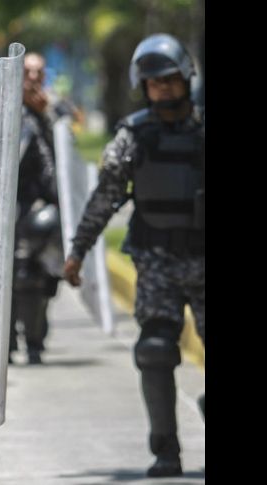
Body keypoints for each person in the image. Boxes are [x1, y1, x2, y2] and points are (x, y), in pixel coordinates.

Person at [62, 33, 204, 477]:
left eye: (169, 80)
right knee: (156, 350)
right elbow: (105, 198)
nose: (162, 89)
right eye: (153, 83)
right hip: (157, 261)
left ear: (185, 79)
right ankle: (166, 451)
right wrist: (78, 251)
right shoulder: (133, 135)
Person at [8, 52, 60, 365]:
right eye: (27, 72)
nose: (33, 78)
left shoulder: (52, 112)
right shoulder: (4, 110)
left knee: (37, 280)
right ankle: (8, 342)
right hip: (7, 207)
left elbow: (60, 164)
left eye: (38, 73)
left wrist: (45, 118)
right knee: (9, 276)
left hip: (38, 208)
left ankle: (35, 341)